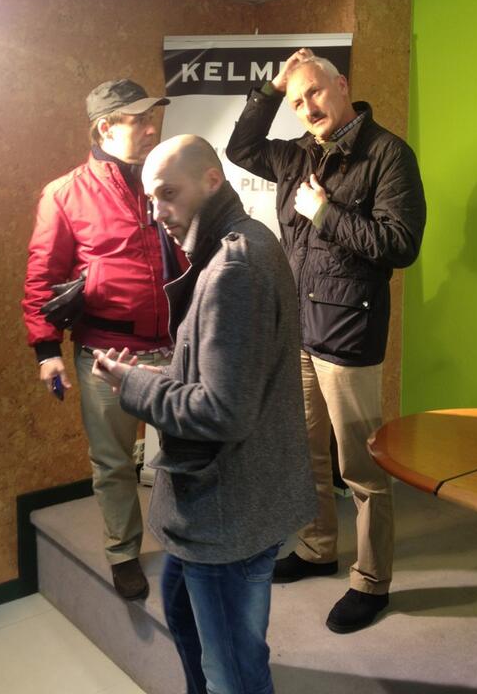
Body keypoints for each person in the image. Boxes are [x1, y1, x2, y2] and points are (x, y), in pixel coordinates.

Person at [91, 134, 316, 694]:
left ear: (212, 181)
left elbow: (222, 411)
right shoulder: (239, 245)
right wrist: (153, 375)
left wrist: (134, 386)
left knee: (234, 674)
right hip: (222, 503)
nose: (157, 212)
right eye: (151, 199)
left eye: (169, 193)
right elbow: (221, 376)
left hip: (227, 511)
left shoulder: (236, 266)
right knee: (186, 622)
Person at [226, 48, 426, 633]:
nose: (307, 107)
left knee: (361, 467)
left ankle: (371, 582)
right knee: (307, 452)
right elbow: (240, 148)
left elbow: (400, 244)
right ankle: (318, 549)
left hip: (348, 335)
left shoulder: (387, 154)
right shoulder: (295, 155)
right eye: (296, 102)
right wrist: (271, 89)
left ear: (341, 84)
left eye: (313, 92)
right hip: (298, 331)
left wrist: (325, 211)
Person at [22, 79, 186, 600]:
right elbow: (42, 277)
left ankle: (187, 541)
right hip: (106, 353)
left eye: (151, 118)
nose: (152, 128)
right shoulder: (65, 193)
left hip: (174, 348)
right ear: (105, 128)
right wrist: (47, 351)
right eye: (139, 120)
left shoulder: (164, 180)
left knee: (187, 453)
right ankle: (123, 553)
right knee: (115, 463)